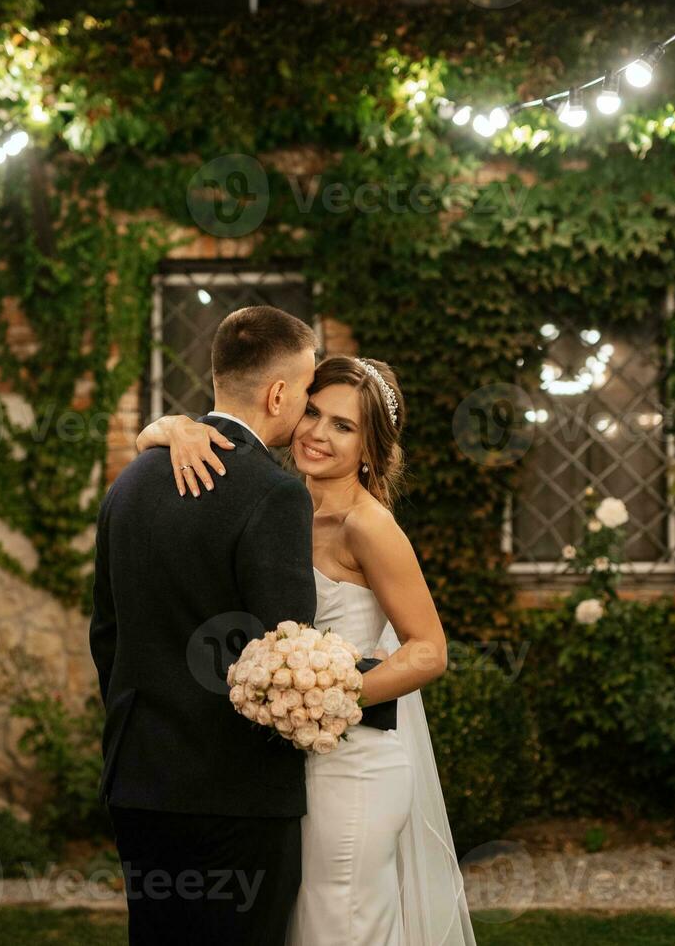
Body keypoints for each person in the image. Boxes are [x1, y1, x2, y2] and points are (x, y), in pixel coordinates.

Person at [137, 350, 478, 945]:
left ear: (370, 450)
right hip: (291, 768)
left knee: (339, 925)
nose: (318, 433)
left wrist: (328, 696)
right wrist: (172, 428)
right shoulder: (280, 506)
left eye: (343, 426)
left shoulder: (367, 527)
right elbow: (165, 435)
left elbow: (429, 650)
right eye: (313, 412)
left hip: (355, 765)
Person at [89, 305, 395, 945]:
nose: (308, 408)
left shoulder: (131, 479)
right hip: (235, 794)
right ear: (280, 393)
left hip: (138, 779)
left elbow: (106, 633)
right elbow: (285, 649)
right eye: (308, 392)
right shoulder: (274, 494)